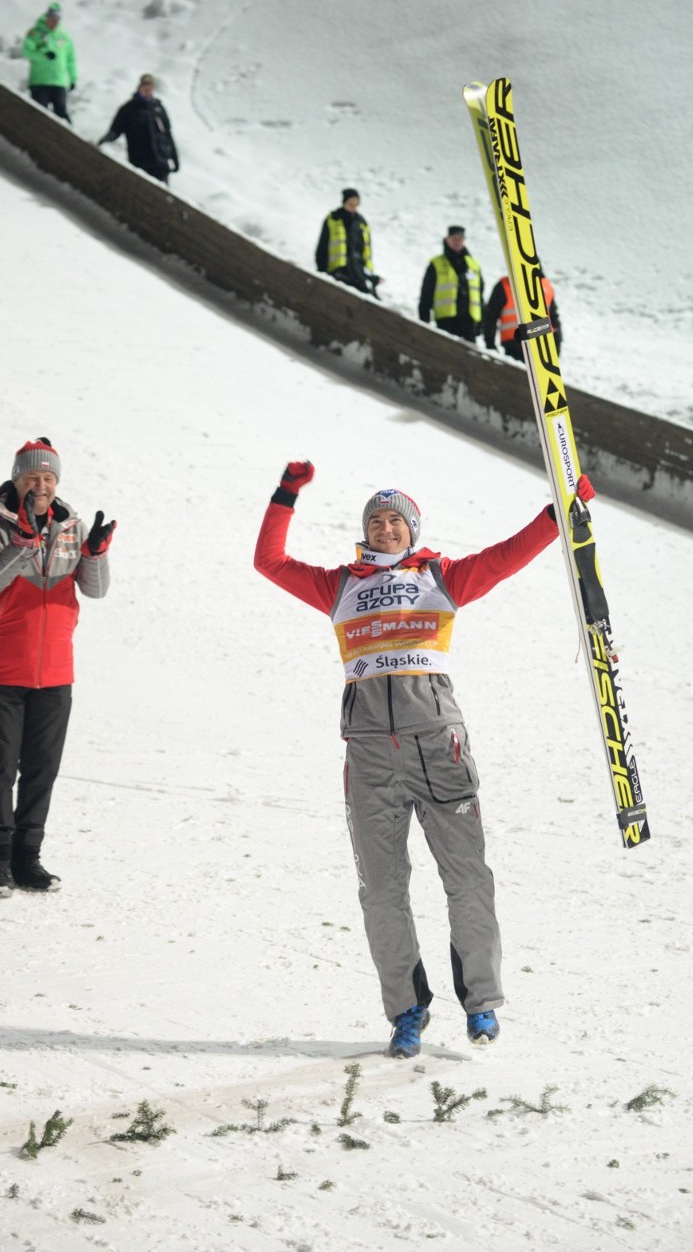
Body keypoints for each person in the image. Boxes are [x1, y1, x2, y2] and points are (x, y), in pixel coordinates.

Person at [255, 460, 595, 1057]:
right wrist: (286, 495)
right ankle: (407, 1011)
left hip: (439, 745)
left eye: (396, 521)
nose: (386, 528)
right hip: (367, 753)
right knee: (381, 891)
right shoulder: (340, 585)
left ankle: (482, 1003)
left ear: (413, 530)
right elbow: (270, 562)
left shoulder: (441, 577)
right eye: (376, 520)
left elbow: (506, 555)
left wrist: (557, 513)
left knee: (467, 879)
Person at [0, 439, 116, 898]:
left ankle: (26, 859)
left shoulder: (69, 525)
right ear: (16, 479)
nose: (41, 484)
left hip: (55, 670)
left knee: (42, 769)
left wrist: (95, 555)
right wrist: (22, 542)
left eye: (49, 478)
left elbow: (95, 591)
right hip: (1, 668)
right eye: (32, 477)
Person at [97, 73, 179, 184]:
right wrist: (103, 142)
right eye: (145, 87)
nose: (147, 91)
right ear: (139, 87)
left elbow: (167, 134)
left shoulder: (158, 108)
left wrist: (174, 157)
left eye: (150, 88)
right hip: (140, 162)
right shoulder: (129, 109)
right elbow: (115, 130)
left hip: (161, 163)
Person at [418, 226, 483, 342]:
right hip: (446, 321)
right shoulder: (436, 264)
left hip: (469, 322)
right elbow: (426, 294)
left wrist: (480, 322)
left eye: (460, 239)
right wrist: (424, 320)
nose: (457, 242)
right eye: (454, 239)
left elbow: (479, 295)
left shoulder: (473, 265)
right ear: (447, 240)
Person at [483, 270, 563, 361]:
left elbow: (554, 319)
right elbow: (490, 316)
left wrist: (557, 345)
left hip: (536, 344)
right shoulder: (546, 286)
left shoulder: (545, 286)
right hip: (517, 345)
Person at [315, 188, 381, 297]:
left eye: (356, 204)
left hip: (357, 272)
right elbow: (322, 246)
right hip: (337, 272)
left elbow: (365, 251)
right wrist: (322, 271)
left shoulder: (361, 223)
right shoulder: (333, 219)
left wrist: (368, 275)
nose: (353, 207)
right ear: (344, 202)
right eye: (351, 203)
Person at [22, 2, 77, 123]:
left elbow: (70, 59)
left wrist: (73, 78)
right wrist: (43, 56)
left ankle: (65, 139)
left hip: (59, 82)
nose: (54, 22)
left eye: (57, 19)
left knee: (61, 112)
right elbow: (26, 51)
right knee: (39, 113)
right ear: (47, 17)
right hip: (40, 81)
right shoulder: (35, 33)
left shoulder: (64, 37)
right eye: (52, 18)